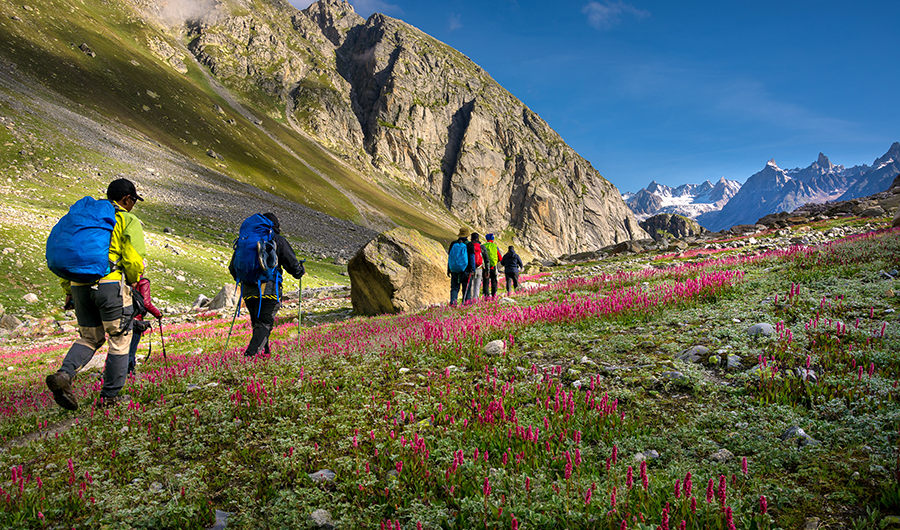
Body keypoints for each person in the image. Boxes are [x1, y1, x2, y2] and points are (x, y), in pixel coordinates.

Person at [46, 178, 147, 410]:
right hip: (109, 285)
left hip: (79, 286)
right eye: (133, 200)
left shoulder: (86, 220)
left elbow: (72, 258)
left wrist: (68, 290)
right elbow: (133, 259)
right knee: (120, 339)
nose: (133, 205)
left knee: (90, 337)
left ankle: (64, 375)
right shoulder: (126, 219)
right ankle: (110, 397)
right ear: (126, 199)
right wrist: (133, 282)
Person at [229, 212, 305, 357]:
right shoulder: (277, 240)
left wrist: (248, 278)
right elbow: (294, 268)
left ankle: (264, 355)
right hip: (269, 288)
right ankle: (250, 357)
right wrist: (300, 271)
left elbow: (233, 268)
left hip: (248, 289)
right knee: (265, 323)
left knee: (257, 324)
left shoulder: (245, 240)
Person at [127, 273, 162, 375]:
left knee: (120, 346)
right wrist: (158, 314)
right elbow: (146, 303)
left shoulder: (121, 280)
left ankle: (128, 370)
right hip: (136, 321)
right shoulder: (143, 282)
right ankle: (125, 373)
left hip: (121, 318)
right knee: (131, 348)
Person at [447, 227, 473, 306]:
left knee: (454, 288)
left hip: (454, 270)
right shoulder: (469, 244)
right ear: (467, 235)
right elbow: (472, 258)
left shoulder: (453, 243)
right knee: (466, 289)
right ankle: (466, 305)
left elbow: (450, 257)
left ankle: (453, 304)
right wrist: (472, 270)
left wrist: (449, 269)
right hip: (466, 271)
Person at [466, 233, 488, 302]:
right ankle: (475, 301)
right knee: (477, 286)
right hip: (479, 268)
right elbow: (486, 259)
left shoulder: (469, 246)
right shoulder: (482, 247)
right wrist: (487, 270)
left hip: (470, 269)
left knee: (470, 285)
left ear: (471, 239)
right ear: (478, 239)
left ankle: (469, 301)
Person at [482, 233, 502, 299]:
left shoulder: (483, 246)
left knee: (486, 282)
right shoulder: (495, 246)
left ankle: (486, 296)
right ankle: (494, 295)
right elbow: (500, 258)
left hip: (485, 267)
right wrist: (495, 262)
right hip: (493, 266)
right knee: (494, 281)